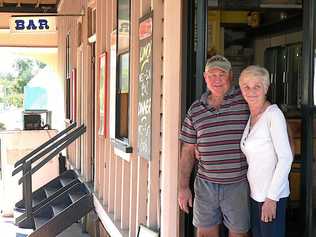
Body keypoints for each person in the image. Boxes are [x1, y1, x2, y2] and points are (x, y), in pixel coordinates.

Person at [178, 55, 250, 237]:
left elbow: (268, 119)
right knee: (205, 234)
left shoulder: (246, 102)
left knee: (239, 234)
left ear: (231, 76)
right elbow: (187, 150)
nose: (217, 79)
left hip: (238, 183)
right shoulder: (195, 109)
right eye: (212, 74)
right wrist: (183, 187)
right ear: (205, 77)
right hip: (205, 185)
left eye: (222, 74)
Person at [239, 65, 293, 237]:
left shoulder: (273, 115)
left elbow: (285, 158)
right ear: (241, 89)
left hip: (271, 196)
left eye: (257, 86)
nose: (251, 91)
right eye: (246, 86)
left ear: (266, 88)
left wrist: (271, 199)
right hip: (256, 195)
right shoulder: (253, 115)